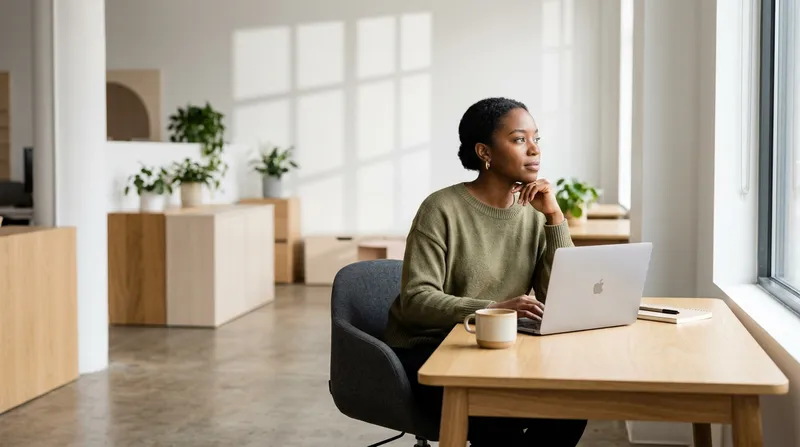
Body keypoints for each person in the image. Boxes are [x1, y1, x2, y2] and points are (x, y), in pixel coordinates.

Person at [384, 97, 587, 446]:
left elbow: (561, 297)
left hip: (499, 349)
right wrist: (493, 308)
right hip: (434, 349)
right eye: (519, 139)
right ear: (484, 152)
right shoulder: (441, 209)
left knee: (570, 406)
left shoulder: (536, 214)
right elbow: (416, 300)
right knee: (497, 420)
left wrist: (555, 219)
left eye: (537, 139)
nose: (534, 150)